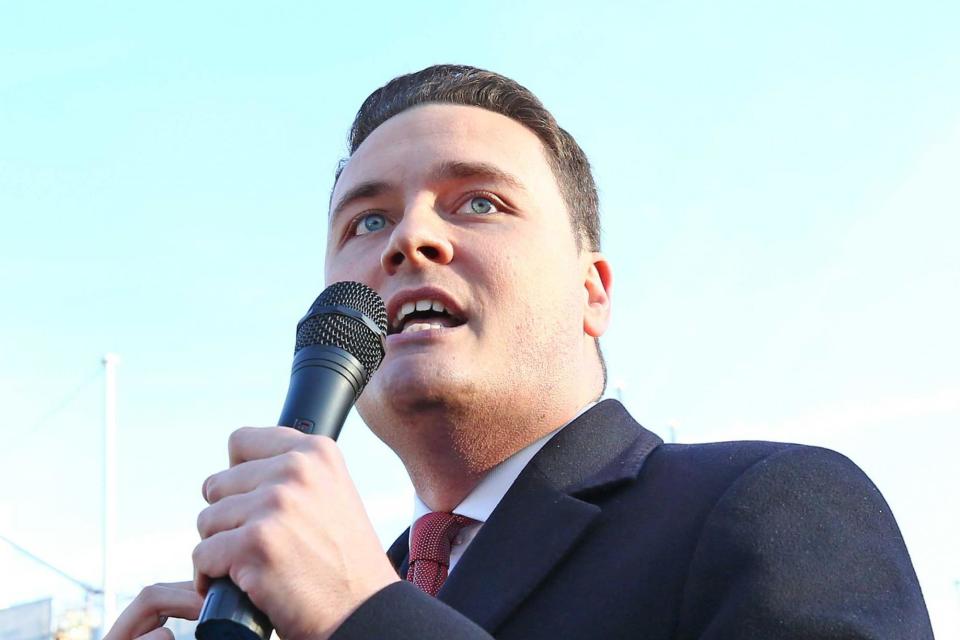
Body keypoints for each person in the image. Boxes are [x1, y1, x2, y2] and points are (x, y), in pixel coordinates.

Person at [107, 65, 934, 640]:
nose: (410, 240)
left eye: (477, 202)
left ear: (592, 291)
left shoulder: (773, 506)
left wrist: (365, 618)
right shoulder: (323, 590)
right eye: (367, 220)